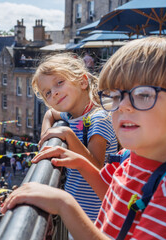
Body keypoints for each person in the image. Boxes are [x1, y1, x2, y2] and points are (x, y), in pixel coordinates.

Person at [1, 37, 166, 239]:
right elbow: (110, 194)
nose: (123, 106)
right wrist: (81, 164)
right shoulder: (129, 157)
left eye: (143, 95)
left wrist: (64, 205)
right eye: (117, 96)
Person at [31, 52, 118, 221]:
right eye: (47, 93)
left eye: (59, 83)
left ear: (83, 81)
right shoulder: (71, 115)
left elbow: (97, 168)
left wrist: (68, 135)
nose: (54, 93)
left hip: (96, 218)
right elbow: (50, 115)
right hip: (76, 215)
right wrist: (45, 139)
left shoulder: (99, 118)